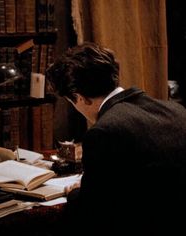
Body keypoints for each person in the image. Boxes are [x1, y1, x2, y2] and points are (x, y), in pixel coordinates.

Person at [46, 42, 186, 235]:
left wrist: (74, 193)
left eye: (72, 102)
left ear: (79, 98)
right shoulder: (177, 110)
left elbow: (93, 211)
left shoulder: (105, 132)